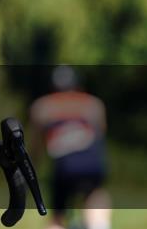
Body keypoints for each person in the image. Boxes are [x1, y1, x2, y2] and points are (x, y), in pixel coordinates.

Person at [29, 66, 110, 229]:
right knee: (95, 194)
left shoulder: (43, 106)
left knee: (58, 212)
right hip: (92, 164)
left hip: (64, 166)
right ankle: (99, 224)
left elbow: (35, 145)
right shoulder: (94, 104)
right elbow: (101, 134)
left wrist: (32, 170)